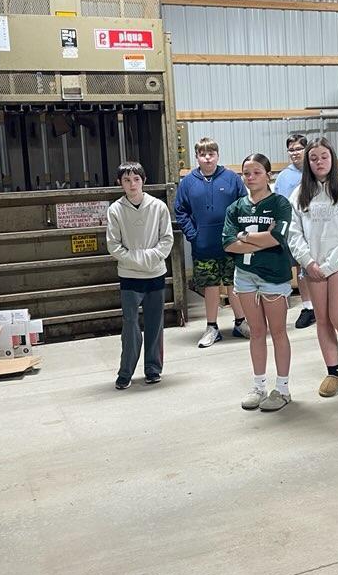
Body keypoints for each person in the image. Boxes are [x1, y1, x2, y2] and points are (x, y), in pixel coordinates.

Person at [288, 138, 338, 397]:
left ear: (332, 158)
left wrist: (331, 264)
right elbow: (294, 233)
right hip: (312, 265)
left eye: (324, 156)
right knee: (322, 319)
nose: (319, 162)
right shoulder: (299, 193)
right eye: (314, 158)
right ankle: (333, 372)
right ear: (307, 162)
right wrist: (308, 262)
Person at [223, 154, 295, 412]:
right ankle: (259, 386)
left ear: (268, 175)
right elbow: (229, 244)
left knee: (277, 331)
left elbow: (278, 238)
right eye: (246, 173)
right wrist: (254, 237)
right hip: (244, 274)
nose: (251, 178)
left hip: (273, 275)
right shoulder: (236, 208)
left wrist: (244, 237)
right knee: (256, 332)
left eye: (256, 172)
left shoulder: (280, 204)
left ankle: (283, 388)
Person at [174, 138, 250, 348]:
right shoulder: (188, 182)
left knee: (234, 284)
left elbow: (243, 205)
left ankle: (240, 322)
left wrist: (238, 233)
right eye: (203, 154)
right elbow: (180, 211)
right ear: (197, 157)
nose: (207, 158)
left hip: (231, 245)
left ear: (218, 155)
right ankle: (211, 327)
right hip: (203, 246)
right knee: (210, 286)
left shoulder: (232, 179)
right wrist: (193, 234)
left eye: (211, 153)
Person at [106, 161, 174, 390]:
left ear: (143, 181)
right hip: (129, 277)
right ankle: (125, 371)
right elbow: (114, 245)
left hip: (155, 274)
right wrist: (138, 259)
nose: (132, 184)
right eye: (127, 180)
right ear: (120, 183)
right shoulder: (115, 210)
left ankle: (153, 369)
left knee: (155, 324)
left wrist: (148, 258)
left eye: (136, 179)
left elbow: (166, 240)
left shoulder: (158, 207)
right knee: (130, 325)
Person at [274, 133, 315, 330]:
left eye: (298, 149)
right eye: (291, 150)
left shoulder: (316, 170)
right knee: (301, 268)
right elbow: (279, 203)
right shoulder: (284, 176)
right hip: (294, 228)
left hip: (316, 227)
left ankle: (324, 304)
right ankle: (308, 307)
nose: (294, 153)